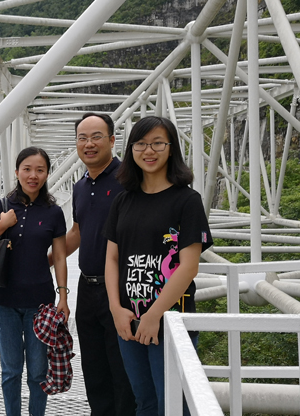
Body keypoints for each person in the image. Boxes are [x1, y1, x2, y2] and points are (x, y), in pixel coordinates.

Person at [104, 116, 213, 416]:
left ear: (171, 148)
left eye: (157, 143)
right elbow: (112, 258)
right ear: (131, 149)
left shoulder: (187, 201)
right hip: (128, 320)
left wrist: (155, 316)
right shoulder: (123, 201)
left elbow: (189, 266)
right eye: (140, 144)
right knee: (145, 403)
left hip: (172, 321)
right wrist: (115, 309)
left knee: (173, 405)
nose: (148, 151)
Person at [49, 112, 135, 416]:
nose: (89, 144)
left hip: (121, 288)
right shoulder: (81, 186)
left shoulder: (130, 180)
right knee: (94, 368)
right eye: (82, 138)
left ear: (112, 140)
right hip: (87, 288)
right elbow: (77, 232)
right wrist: (44, 262)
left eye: (96, 137)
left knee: (122, 370)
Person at [0, 146, 69, 416]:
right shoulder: (1, 206)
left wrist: (63, 296)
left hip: (41, 304)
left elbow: (59, 257)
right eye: (27, 169)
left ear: (47, 173)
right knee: (11, 371)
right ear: (16, 172)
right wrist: (2, 225)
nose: (33, 175)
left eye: (40, 170)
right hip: (5, 302)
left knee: (38, 372)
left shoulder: (53, 212)